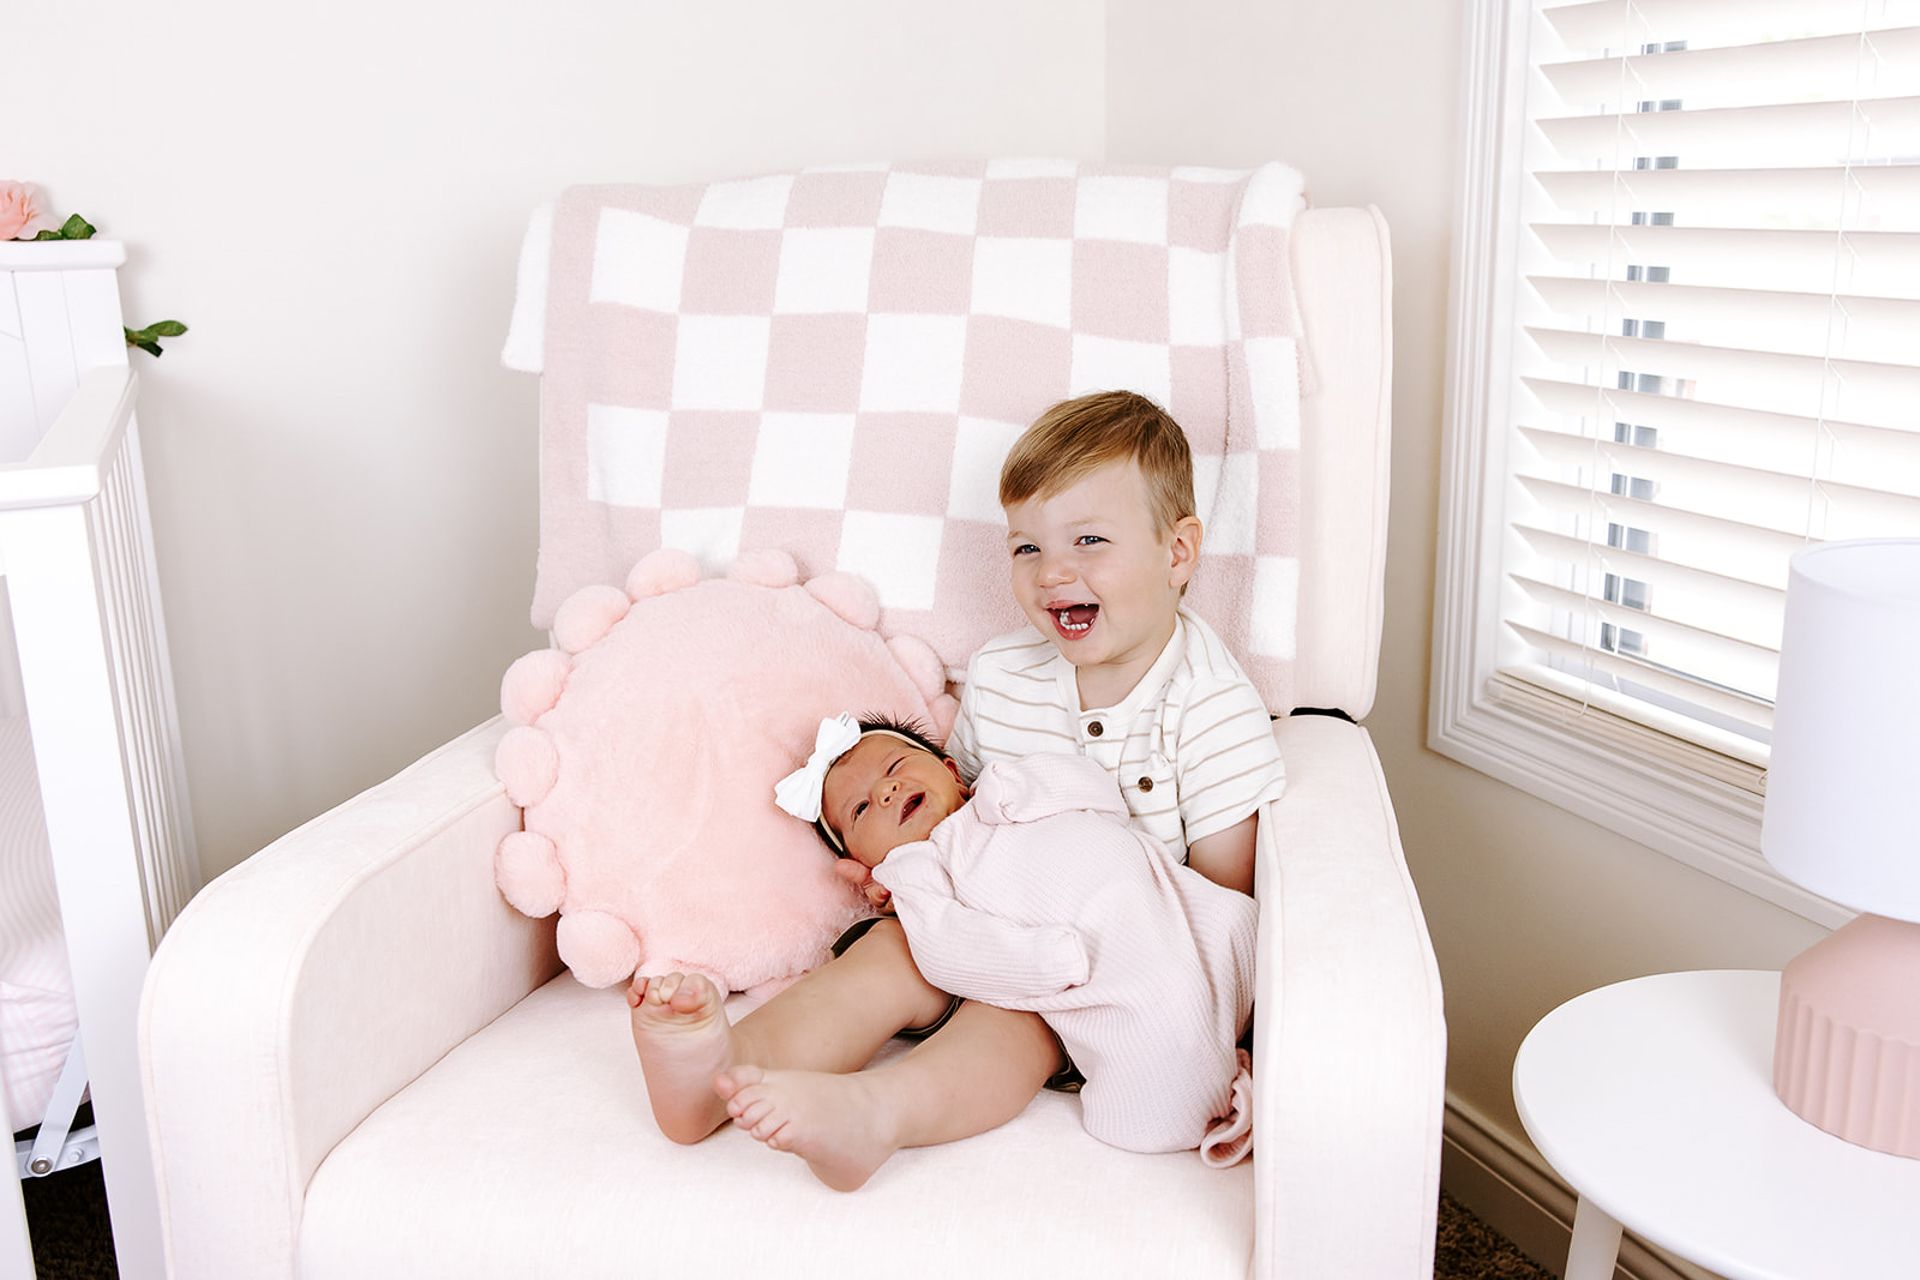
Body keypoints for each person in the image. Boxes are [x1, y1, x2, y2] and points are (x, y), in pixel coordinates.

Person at [627, 390, 1285, 1189]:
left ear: (1177, 553)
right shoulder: (1005, 675)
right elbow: (959, 813)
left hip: (1108, 981)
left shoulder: (1210, 706)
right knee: (888, 953)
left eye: (1089, 540)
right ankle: (717, 1072)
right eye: (1026, 549)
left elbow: (1217, 905)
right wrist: (901, 877)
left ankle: (879, 1114)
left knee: (1011, 1020)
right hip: (978, 932)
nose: (1053, 574)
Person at [790, 714, 1256, 1158]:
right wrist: (1038, 962)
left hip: (1184, 913)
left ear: (951, 771)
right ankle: (1213, 1082)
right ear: (865, 861)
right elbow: (948, 948)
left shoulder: (1009, 789)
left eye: (895, 767)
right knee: (1163, 1040)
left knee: (1244, 932)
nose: (887, 792)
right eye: (862, 809)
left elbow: (1100, 793)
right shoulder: (917, 873)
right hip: (1099, 961)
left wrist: (1011, 787)